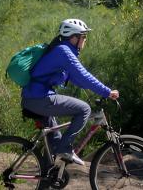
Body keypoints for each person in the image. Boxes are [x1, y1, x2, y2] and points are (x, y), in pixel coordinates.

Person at [21, 18, 120, 166]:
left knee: (54, 141)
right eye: (84, 36)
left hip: (34, 98)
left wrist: (98, 91)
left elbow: (78, 80)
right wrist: (107, 92)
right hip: (39, 99)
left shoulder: (62, 50)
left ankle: (48, 178)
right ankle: (65, 149)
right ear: (74, 38)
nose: (85, 40)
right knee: (84, 109)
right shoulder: (64, 52)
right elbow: (84, 76)